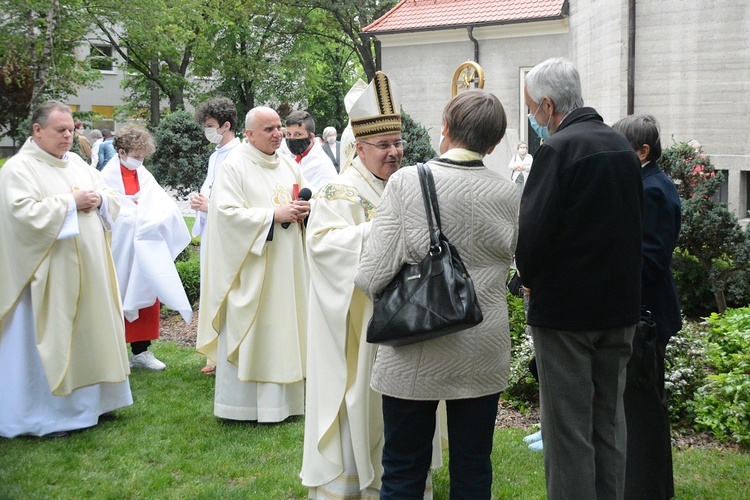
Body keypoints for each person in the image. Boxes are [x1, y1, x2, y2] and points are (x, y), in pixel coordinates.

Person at [355, 89, 519, 498]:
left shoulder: (408, 182)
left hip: (416, 344)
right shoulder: (510, 193)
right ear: (494, 143)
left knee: (404, 469)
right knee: (474, 467)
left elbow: (372, 275)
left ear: (444, 129)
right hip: (483, 344)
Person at [302, 72, 444, 498]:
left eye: (397, 143)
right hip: (361, 327)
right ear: (358, 148)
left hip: (413, 317)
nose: (395, 152)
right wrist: (380, 232)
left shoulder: (409, 185)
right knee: (365, 401)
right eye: (383, 145)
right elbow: (324, 248)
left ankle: (409, 481)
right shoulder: (337, 191)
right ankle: (357, 482)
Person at [515, 57, 643, 500]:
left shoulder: (556, 150)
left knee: (568, 431)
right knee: (608, 424)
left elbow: (533, 234)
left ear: (549, 106)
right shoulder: (623, 147)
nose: (533, 118)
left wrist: (526, 277)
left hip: (566, 316)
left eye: (533, 108)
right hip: (618, 310)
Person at [0, 101, 132, 438]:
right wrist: (70, 204)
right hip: (45, 275)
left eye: (72, 129)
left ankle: (96, 405)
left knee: (92, 333)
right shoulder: (18, 170)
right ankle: (50, 415)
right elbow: (21, 215)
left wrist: (100, 201)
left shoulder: (76, 163)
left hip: (90, 268)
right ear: (37, 130)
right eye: (61, 130)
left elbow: (108, 195)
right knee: (56, 338)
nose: (69, 136)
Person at [196, 106, 310, 423]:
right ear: (249, 134)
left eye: (279, 127)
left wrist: (305, 211)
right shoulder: (234, 167)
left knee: (282, 330)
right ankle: (242, 408)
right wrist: (272, 215)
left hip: (285, 267)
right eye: (269, 129)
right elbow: (226, 216)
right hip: (251, 269)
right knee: (256, 332)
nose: (278, 134)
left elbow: (298, 203)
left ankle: (284, 405)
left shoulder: (289, 165)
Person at [613, 114, 681, 500]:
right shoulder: (645, 181)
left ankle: (646, 489)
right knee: (640, 408)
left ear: (643, 151)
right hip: (645, 313)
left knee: (643, 411)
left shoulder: (654, 189)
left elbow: (649, 261)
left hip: (648, 317)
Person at [101, 125, 193, 371]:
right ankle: (113, 352)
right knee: (115, 294)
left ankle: (141, 351)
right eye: (136, 155)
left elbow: (161, 203)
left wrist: (148, 216)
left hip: (144, 248)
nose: (139, 161)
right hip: (119, 248)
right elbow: (107, 208)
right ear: (121, 152)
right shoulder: (104, 176)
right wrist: (132, 212)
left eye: (143, 156)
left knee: (146, 296)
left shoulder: (143, 174)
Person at [192, 97, 241, 375]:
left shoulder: (238, 155)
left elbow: (238, 198)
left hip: (227, 232)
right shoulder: (215, 156)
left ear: (226, 125)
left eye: (210, 126)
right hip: (213, 230)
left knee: (226, 289)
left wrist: (210, 205)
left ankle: (228, 353)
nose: (207, 131)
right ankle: (215, 354)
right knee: (211, 289)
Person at [285, 110, 338, 191]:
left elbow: (327, 199)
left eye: (298, 134)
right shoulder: (288, 159)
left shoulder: (322, 165)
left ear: (311, 137)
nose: (292, 138)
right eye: (289, 134)